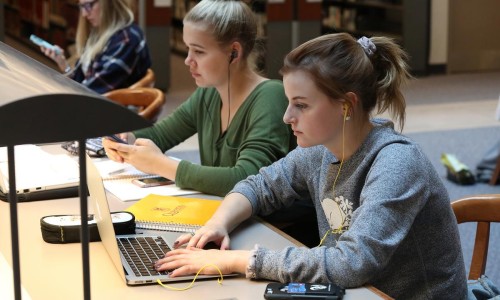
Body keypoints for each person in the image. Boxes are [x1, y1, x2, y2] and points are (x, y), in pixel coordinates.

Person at [153, 33, 468, 299]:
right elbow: (257, 186)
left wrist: (238, 260)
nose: (287, 117)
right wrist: (218, 223)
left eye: (301, 105)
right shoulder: (321, 150)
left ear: (346, 105)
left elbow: (352, 263)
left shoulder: (397, 164)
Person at [103, 0, 295, 197]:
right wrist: (124, 140)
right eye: (188, 49)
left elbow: (247, 179)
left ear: (233, 53)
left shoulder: (271, 97)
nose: (188, 60)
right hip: (224, 214)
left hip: (270, 225)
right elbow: (160, 135)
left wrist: (161, 165)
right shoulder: (209, 93)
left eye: (199, 51)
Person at [38, 0, 151, 94]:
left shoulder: (127, 40)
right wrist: (63, 63)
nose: (84, 14)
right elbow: (84, 81)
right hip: (97, 108)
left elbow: (89, 92)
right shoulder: (101, 33)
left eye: (88, 5)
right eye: (82, 7)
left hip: (112, 115)